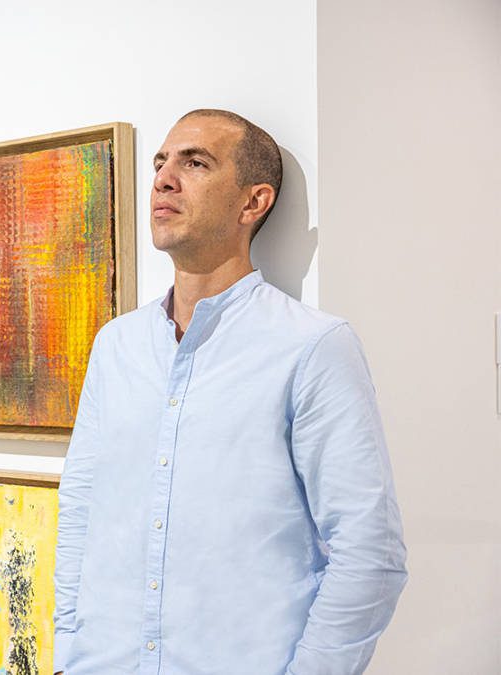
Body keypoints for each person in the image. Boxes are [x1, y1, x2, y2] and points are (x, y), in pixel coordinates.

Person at [52, 109, 407, 674]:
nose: (164, 179)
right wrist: (69, 652)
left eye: (195, 163)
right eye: (160, 163)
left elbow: (370, 552)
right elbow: (80, 512)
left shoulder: (311, 347)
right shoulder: (116, 345)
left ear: (253, 202)